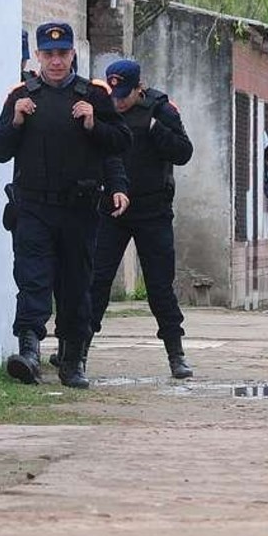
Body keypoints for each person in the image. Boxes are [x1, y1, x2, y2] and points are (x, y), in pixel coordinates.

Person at [0, 22, 132, 389]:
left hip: (79, 210)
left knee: (75, 285)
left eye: (62, 54)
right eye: (49, 54)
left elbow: (120, 143)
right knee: (32, 280)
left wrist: (93, 124)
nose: (55, 61)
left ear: (73, 55)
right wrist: (16, 121)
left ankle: (72, 360)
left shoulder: (94, 95)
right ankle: (30, 352)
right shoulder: (21, 95)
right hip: (33, 207)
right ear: (38, 56)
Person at [86, 59, 196, 379]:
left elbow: (183, 152)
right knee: (96, 281)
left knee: (160, 286)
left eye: (123, 95)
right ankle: (76, 350)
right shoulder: (103, 107)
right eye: (113, 94)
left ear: (139, 88)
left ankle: (176, 354)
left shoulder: (161, 110)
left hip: (152, 210)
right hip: (111, 209)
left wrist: (154, 130)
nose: (118, 101)